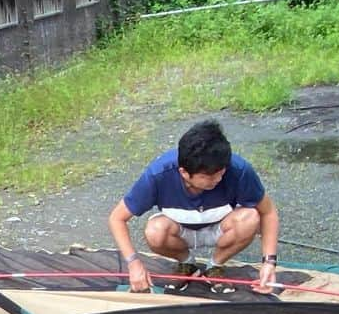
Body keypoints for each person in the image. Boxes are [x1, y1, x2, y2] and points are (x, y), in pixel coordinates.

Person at [108, 119, 280, 294]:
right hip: (180, 231)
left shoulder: (238, 170)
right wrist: (133, 263)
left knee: (250, 217)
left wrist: (269, 263)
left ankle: (215, 266)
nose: (217, 179)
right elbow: (117, 218)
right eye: (208, 177)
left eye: (221, 173)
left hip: (221, 228)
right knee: (154, 230)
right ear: (184, 172)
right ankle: (187, 263)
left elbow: (268, 212)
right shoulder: (158, 175)